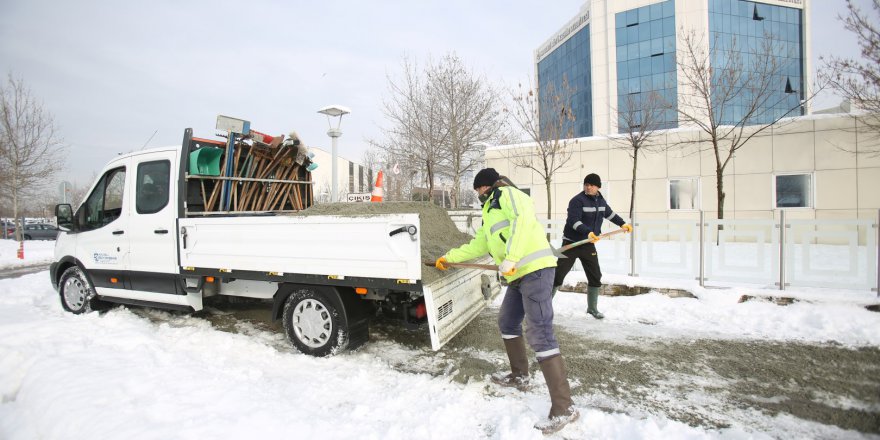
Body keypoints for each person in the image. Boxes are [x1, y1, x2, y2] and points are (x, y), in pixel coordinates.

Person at [435, 168, 578, 434]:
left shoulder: (509, 194)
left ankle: (564, 407)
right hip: (517, 273)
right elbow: (480, 245)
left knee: (540, 333)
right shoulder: (489, 210)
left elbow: (522, 222)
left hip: (534, 269)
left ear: (487, 185)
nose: (478, 194)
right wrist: (450, 257)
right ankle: (520, 375)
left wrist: (510, 257)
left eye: (479, 189)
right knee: (508, 321)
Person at [553, 173, 632, 319]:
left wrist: (622, 223)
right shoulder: (577, 201)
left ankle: (592, 308)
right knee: (558, 276)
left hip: (588, 244)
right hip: (571, 243)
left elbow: (610, 214)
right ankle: (543, 306)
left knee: (595, 276)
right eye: (586, 184)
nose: (588, 187)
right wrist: (587, 232)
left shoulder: (601, 201)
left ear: (598, 187)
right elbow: (573, 221)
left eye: (591, 185)